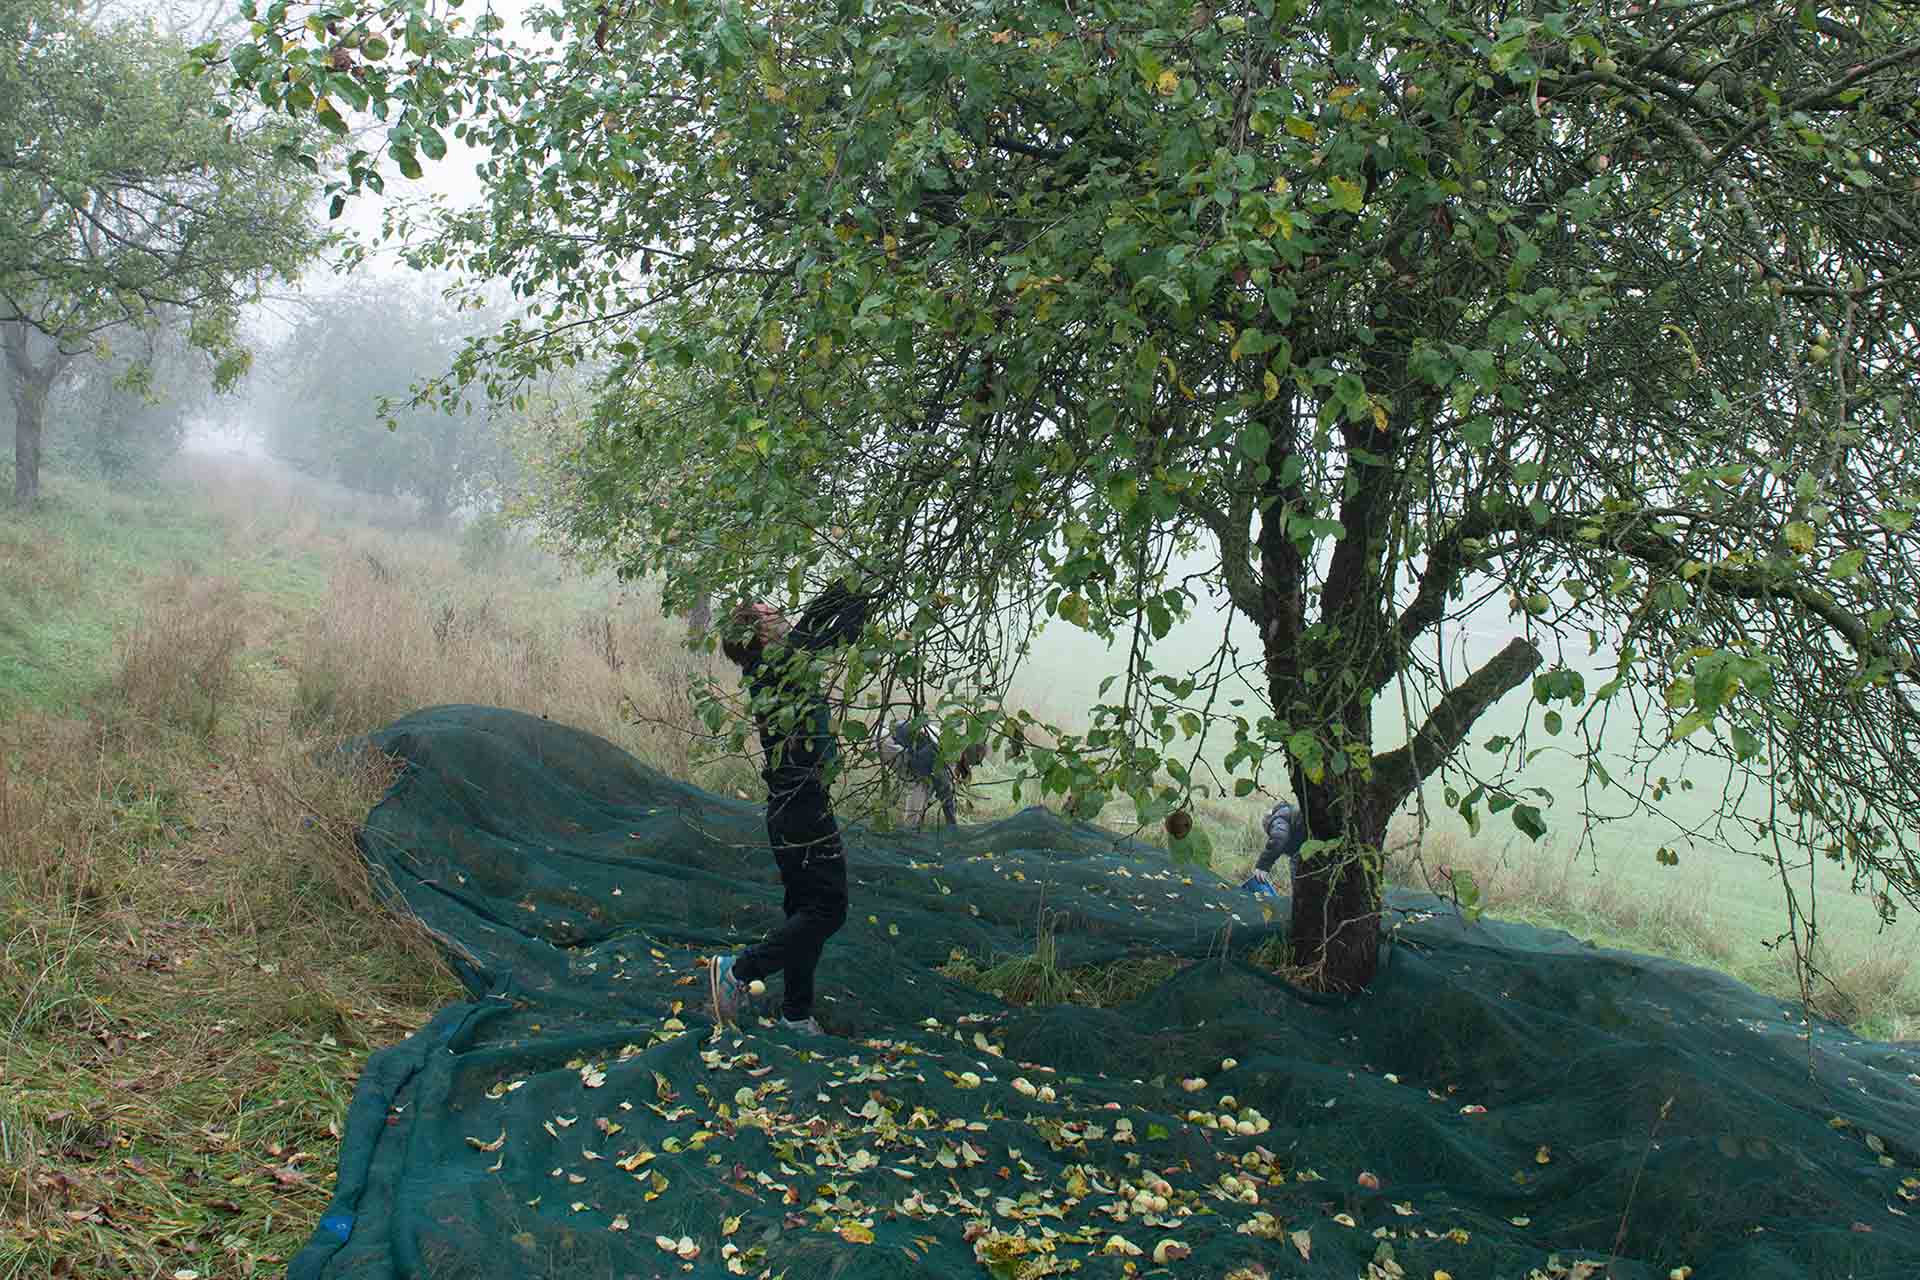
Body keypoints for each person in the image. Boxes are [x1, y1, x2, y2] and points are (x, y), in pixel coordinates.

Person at [709, 580, 870, 1036]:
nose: (774, 606)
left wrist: (851, 583)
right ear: (760, 633)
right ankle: (740, 972)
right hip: (801, 807)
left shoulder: (776, 664)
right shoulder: (781, 666)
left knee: (805, 909)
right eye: (763, 608)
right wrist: (866, 591)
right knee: (828, 910)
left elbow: (815, 622)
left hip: (792, 805)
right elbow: (838, 633)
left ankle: (796, 1014)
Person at [873, 718, 987, 827]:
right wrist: (952, 824)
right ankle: (911, 827)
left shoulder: (949, 739)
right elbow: (943, 787)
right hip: (888, 741)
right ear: (965, 756)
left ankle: (909, 819)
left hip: (888, 736)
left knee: (925, 776)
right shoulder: (944, 750)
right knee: (924, 782)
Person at [1243, 799, 1307, 896]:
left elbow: (1279, 838)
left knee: (1297, 863)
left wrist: (1263, 866)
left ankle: (1300, 903)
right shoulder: (1290, 815)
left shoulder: (1279, 818)